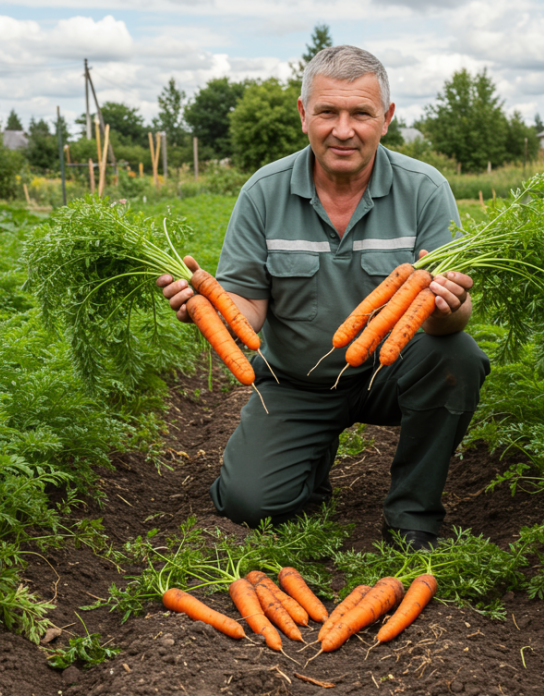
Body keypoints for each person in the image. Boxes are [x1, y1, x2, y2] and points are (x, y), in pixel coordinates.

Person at [157, 45, 489, 550]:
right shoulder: (263, 193)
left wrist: (448, 303)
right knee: (248, 504)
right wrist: (206, 306)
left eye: (361, 113)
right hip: (298, 382)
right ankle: (309, 462)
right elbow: (247, 308)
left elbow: (449, 321)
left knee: (457, 357)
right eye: (328, 111)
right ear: (303, 113)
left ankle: (412, 514)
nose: (343, 129)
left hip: (388, 373)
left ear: (387, 119)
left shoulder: (424, 189)